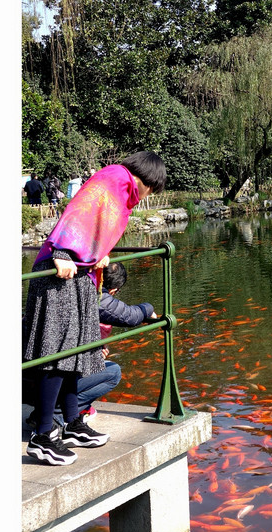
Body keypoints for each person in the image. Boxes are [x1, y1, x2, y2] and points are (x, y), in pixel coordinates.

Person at [23, 150, 166, 466]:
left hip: (80, 272)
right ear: (145, 178)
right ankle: (43, 437)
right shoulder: (115, 178)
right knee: (57, 351)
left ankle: (73, 424)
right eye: (150, 189)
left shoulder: (124, 192)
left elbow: (97, 227)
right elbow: (79, 211)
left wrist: (97, 254)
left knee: (75, 351)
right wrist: (61, 251)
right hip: (59, 269)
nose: (146, 197)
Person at [23, 260, 158, 429]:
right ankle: (54, 415)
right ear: (114, 290)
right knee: (113, 372)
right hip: (41, 382)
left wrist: (94, 346)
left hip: (23, 379)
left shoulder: (59, 289)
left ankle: (51, 413)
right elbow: (129, 316)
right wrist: (148, 308)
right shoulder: (93, 294)